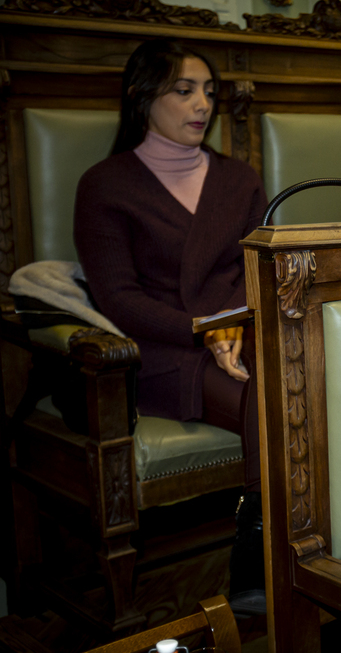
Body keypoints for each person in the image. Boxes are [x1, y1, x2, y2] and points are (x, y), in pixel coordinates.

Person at [73, 38, 267, 615]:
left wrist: (233, 322)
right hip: (161, 349)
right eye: (184, 91)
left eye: (208, 91)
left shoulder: (240, 178)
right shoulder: (105, 184)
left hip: (243, 329)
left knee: (306, 380)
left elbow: (255, 264)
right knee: (270, 399)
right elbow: (118, 299)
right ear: (141, 97)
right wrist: (205, 329)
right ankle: (257, 559)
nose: (201, 104)